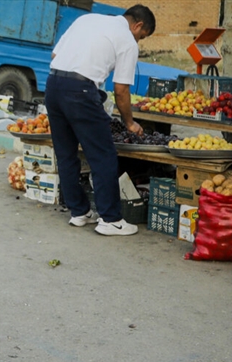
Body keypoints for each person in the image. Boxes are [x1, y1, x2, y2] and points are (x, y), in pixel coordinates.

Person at [45, 4, 154, 236]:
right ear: (138, 25)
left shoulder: (87, 19)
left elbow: (56, 55)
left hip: (53, 85)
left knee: (65, 154)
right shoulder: (127, 40)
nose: (139, 41)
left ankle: (79, 212)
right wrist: (129, 122)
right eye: (142, 37)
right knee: (103, 155)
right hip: (81, 92)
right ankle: (110, 220)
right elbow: (121, 90)